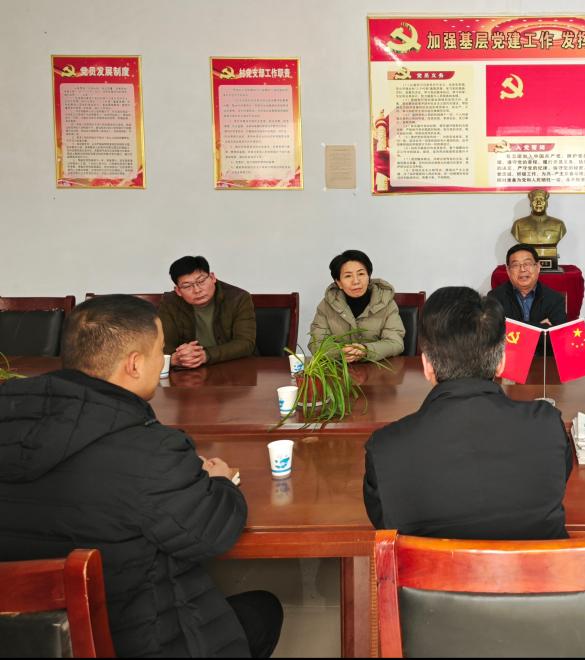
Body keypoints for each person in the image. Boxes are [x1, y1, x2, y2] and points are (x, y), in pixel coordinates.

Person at [0, 295, 282, 658]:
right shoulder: (151, 450)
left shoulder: (11, 413)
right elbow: (212, 533)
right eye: (160, 350)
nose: (163, 359)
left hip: (20, 638)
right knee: (263, 610)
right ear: (134, 364)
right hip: (135, 640)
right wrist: (221, 481)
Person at [362, 286, 573, 540]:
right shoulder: (547, 427)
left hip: (431, 569)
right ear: (501, 362)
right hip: (534, 567)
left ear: (427, 365)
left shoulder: (385, 448)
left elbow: (384, 525)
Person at [158, 255, 257, 369]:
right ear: (178, 291)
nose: (197, 290)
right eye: (187, 286)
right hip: (189, 370)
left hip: (233, 367)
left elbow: (245, 343)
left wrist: (206, 355)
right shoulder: (169, 302)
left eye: (201, 281)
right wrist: (174, 358)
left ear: (212, 278)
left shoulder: (238, 298)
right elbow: (163, 344)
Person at [308, 250, 405, 362]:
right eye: (348, 276)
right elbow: (316, 344)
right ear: (339, 282)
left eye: (361, 274)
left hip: (378, 368)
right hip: (340, 369)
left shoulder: (386, 303)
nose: (356, 281)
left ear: (369, 277)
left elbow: (395, 343)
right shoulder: (326, 306)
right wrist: (340, 352)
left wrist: (366, 350)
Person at [488, 243, 567, 354]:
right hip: (509, 360)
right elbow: (493, 336)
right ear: (508, 271)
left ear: (538, 267)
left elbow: (559, 338)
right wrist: (542, 327)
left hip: (542, 361)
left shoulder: (555, 299)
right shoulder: (495, 297)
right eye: (516, 265)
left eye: (527, 263)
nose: (522, 269)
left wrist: (512, 327)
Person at [510, 188, 567, 263]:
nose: (538, 203)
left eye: (542, 200)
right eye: (535, 200)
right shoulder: (518, 224)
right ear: (530, 203)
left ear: (547, 203)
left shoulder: (559, 224)